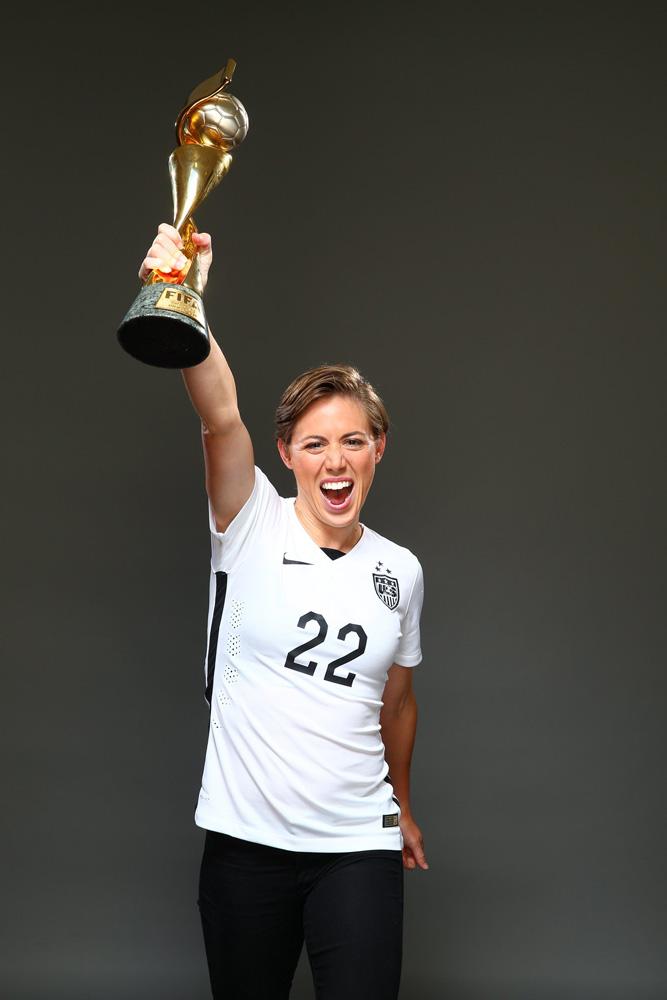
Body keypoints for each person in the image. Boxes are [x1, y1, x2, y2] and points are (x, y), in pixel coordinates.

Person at [139, 224, 429, 1000]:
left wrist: (400, 806)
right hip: (246, 849)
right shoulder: (250, 521)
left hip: (357, 850)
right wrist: (185, 298)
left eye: (353, 441)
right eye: (314, 443)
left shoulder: (399, 570)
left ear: (377, 451)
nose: (335, 460)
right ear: (286, 453)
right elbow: (220, 413)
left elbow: (396, 701)